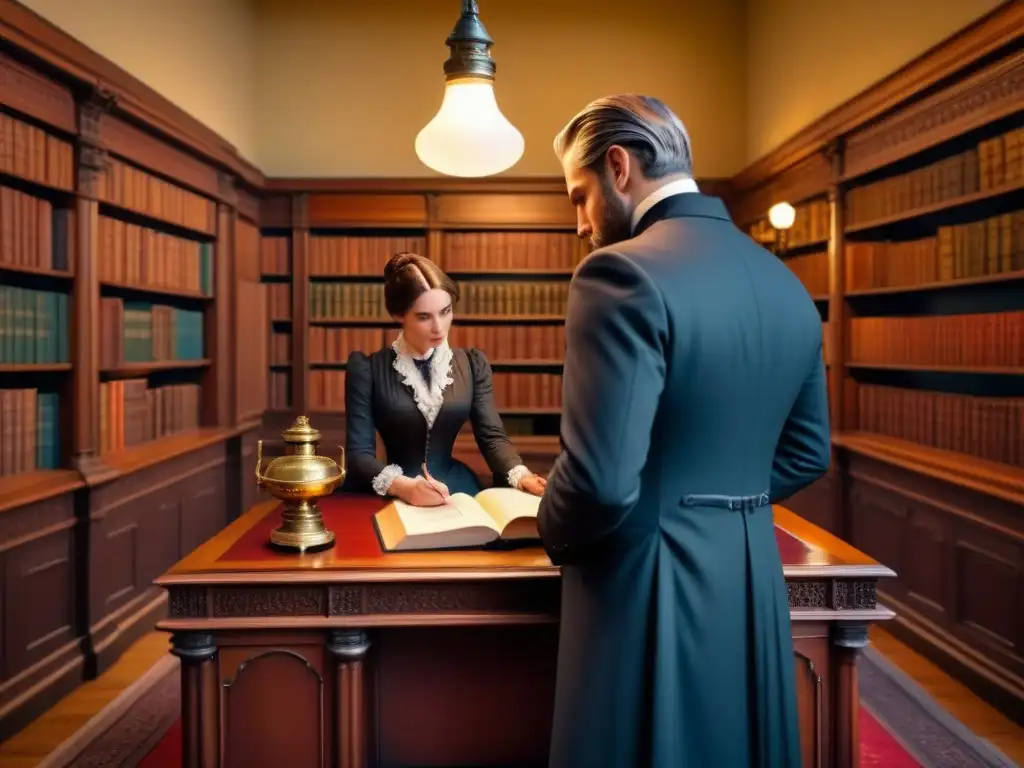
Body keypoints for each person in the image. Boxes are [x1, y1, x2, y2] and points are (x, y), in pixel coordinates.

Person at [537, 94, 830, 767]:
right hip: (752, 576)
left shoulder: (619, 272)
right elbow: (809, 452)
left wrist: (548, 523)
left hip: (648, 580)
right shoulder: (787, 284)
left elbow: (602, 485)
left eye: (578, 196)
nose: (580, 223)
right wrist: (722, 503)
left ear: (619, 167)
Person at [343, 252, 547, 506]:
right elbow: (359, 455)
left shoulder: (472, 365)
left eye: (445, 311)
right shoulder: (367, 370)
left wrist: (521, 475)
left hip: (458, 490)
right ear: (399, 315)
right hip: (397, 492)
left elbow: (492, 436)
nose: (439, 327)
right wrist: (404, 487)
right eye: (424, 316)